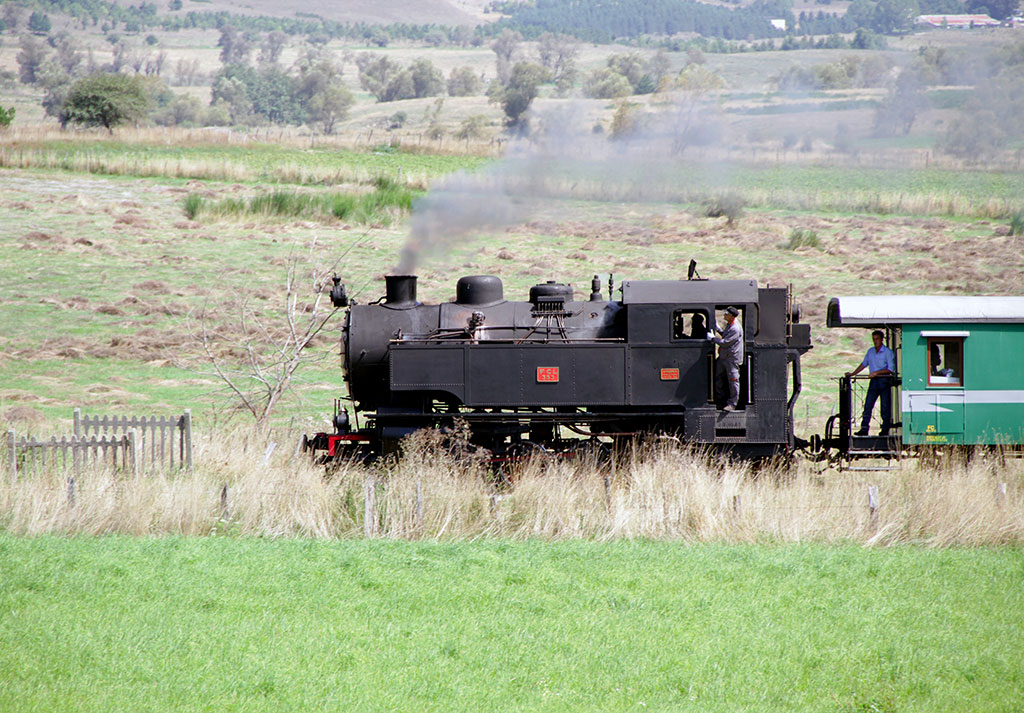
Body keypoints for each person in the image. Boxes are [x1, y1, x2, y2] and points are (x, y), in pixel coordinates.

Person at [846, 330, 895, 436]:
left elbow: (891, 369)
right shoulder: (870, 351)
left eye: (877, 339)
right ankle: (864, 429)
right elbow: (864, 364)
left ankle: (885, 430)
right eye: (874, 339)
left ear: (882, 339)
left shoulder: (888, 352)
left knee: (885, 407)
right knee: (868, 405)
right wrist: (853, 374)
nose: (875, 341)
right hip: (874, 381)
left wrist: (876, 372)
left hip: (884, 380)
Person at [708, 306, 743, 411]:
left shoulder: (735, 328)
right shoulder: (730, 325)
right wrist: (718, 328)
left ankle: (732, 404)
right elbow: (725, 336)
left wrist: (713, 339)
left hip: (731, 359)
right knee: (718, 377)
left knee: (733, 380)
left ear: (731, 316)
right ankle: (720, 401)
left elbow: (726, 342)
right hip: (724, 357)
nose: (724, 315)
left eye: (726, 314)